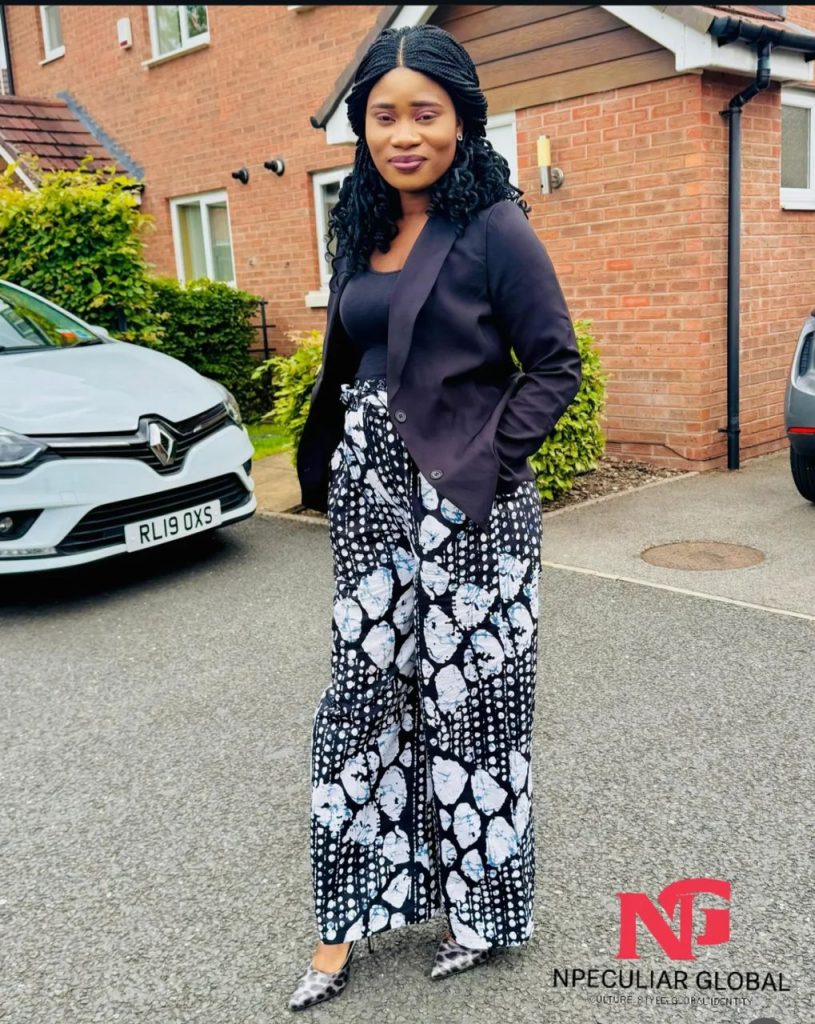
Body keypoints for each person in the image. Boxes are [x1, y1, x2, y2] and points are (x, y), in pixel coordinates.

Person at [290, 23, 582, 1012]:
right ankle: (341, 922)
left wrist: (484, 468)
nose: (403, 134)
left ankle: (481, 912)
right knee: (357, 705)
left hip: (472, 510)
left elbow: (553, 364)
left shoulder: (494, 227)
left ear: (461, 121)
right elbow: (353, 360)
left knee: (474, 713)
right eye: (384, 115)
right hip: (371, 507)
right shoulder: (357, 227)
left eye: (425, 113)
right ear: (362, 127)